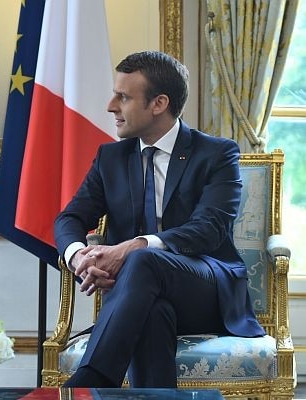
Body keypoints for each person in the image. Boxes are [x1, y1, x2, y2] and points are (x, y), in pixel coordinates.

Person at [54, 51, 264, 388]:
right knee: (152, 312)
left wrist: (133, 248)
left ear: (159, 103)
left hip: (205, 289)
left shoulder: (217, 153)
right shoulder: (111, 158)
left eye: (123, 97)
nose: (111, 106)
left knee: (144, 259)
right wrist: (79, 256)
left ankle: (84, 385)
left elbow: (209, 229)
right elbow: (71, 218)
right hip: (140, 293)